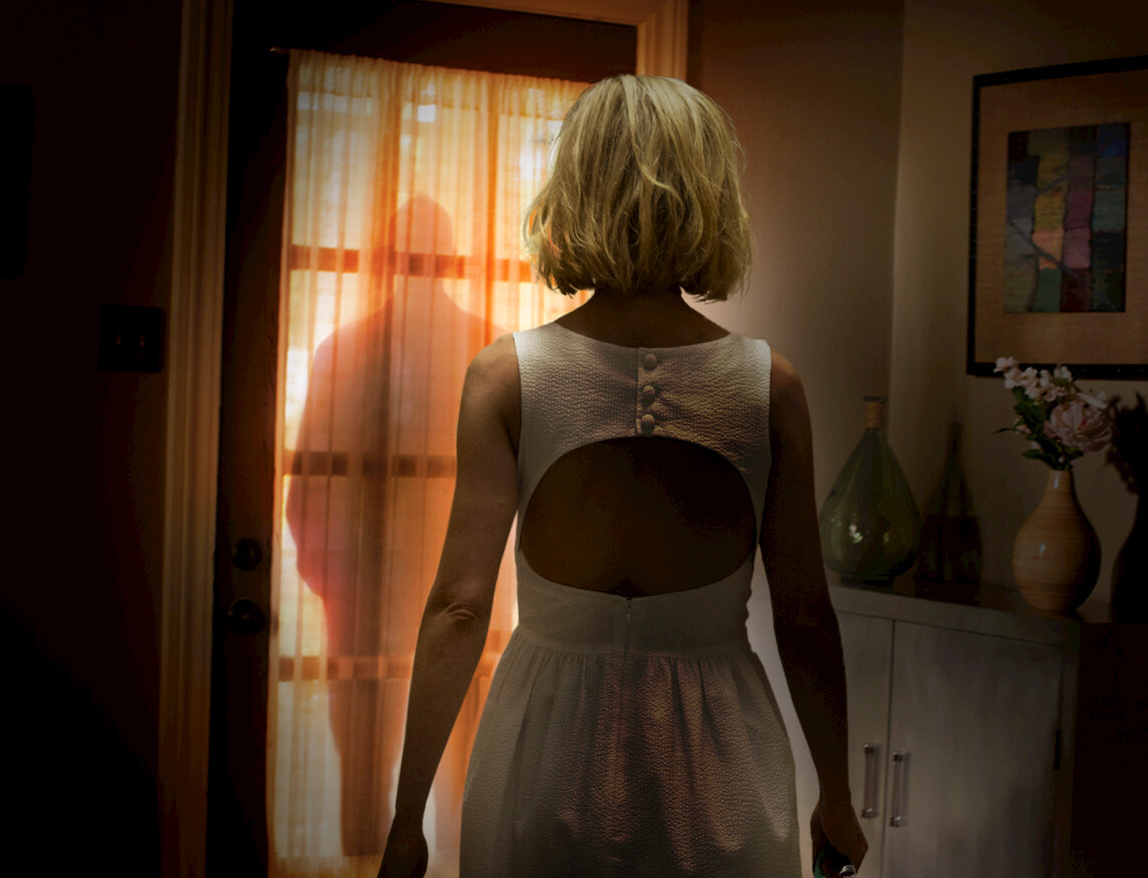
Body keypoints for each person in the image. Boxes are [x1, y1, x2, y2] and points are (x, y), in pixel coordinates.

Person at [376, 75, 867, 877]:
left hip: (546, 750)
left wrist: (407, 820)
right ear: (711, 199)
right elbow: (806, 616)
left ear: (574, 192)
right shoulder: (769, 387)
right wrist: (837, 799)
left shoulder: (505, 378)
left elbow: (460, 607)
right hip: (721, 764)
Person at [287, 196, 512, 860]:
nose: (418, 270)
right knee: (377, 784)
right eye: (412, 256)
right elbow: (309, 492)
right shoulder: (483, 351)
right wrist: (341, 588)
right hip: (382, 603)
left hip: (458, 601)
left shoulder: (489, 352)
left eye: (426, 257)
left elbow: (306, 494)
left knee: (459, 780)